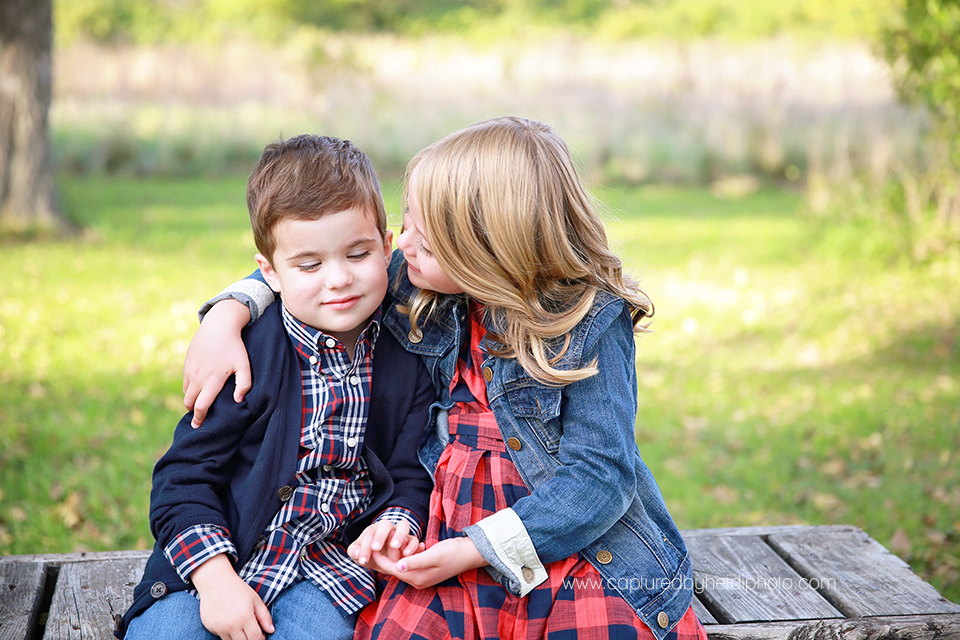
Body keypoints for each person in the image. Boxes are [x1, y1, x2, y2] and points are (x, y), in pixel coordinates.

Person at [183, 117, 707, 640]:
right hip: (445, 536)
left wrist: (471, 551)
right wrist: (226, 313)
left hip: (574, 552)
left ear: (487, 252)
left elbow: (599, 478)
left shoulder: (589, 321)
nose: (401, 246)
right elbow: (308, 261)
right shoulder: (418, 283)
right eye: (405, 225)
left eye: (425, 242)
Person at [118, 134, 435, 640]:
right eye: (309, 265)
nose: (338, 279)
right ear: (271, 272)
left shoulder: (410, 351)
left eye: (358, 254)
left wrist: (397, 522)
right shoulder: (248, 353)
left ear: (387, 245)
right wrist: (216, 581)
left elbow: (410, 471)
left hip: (331, 574)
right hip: (219, 560)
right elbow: (183, 477)